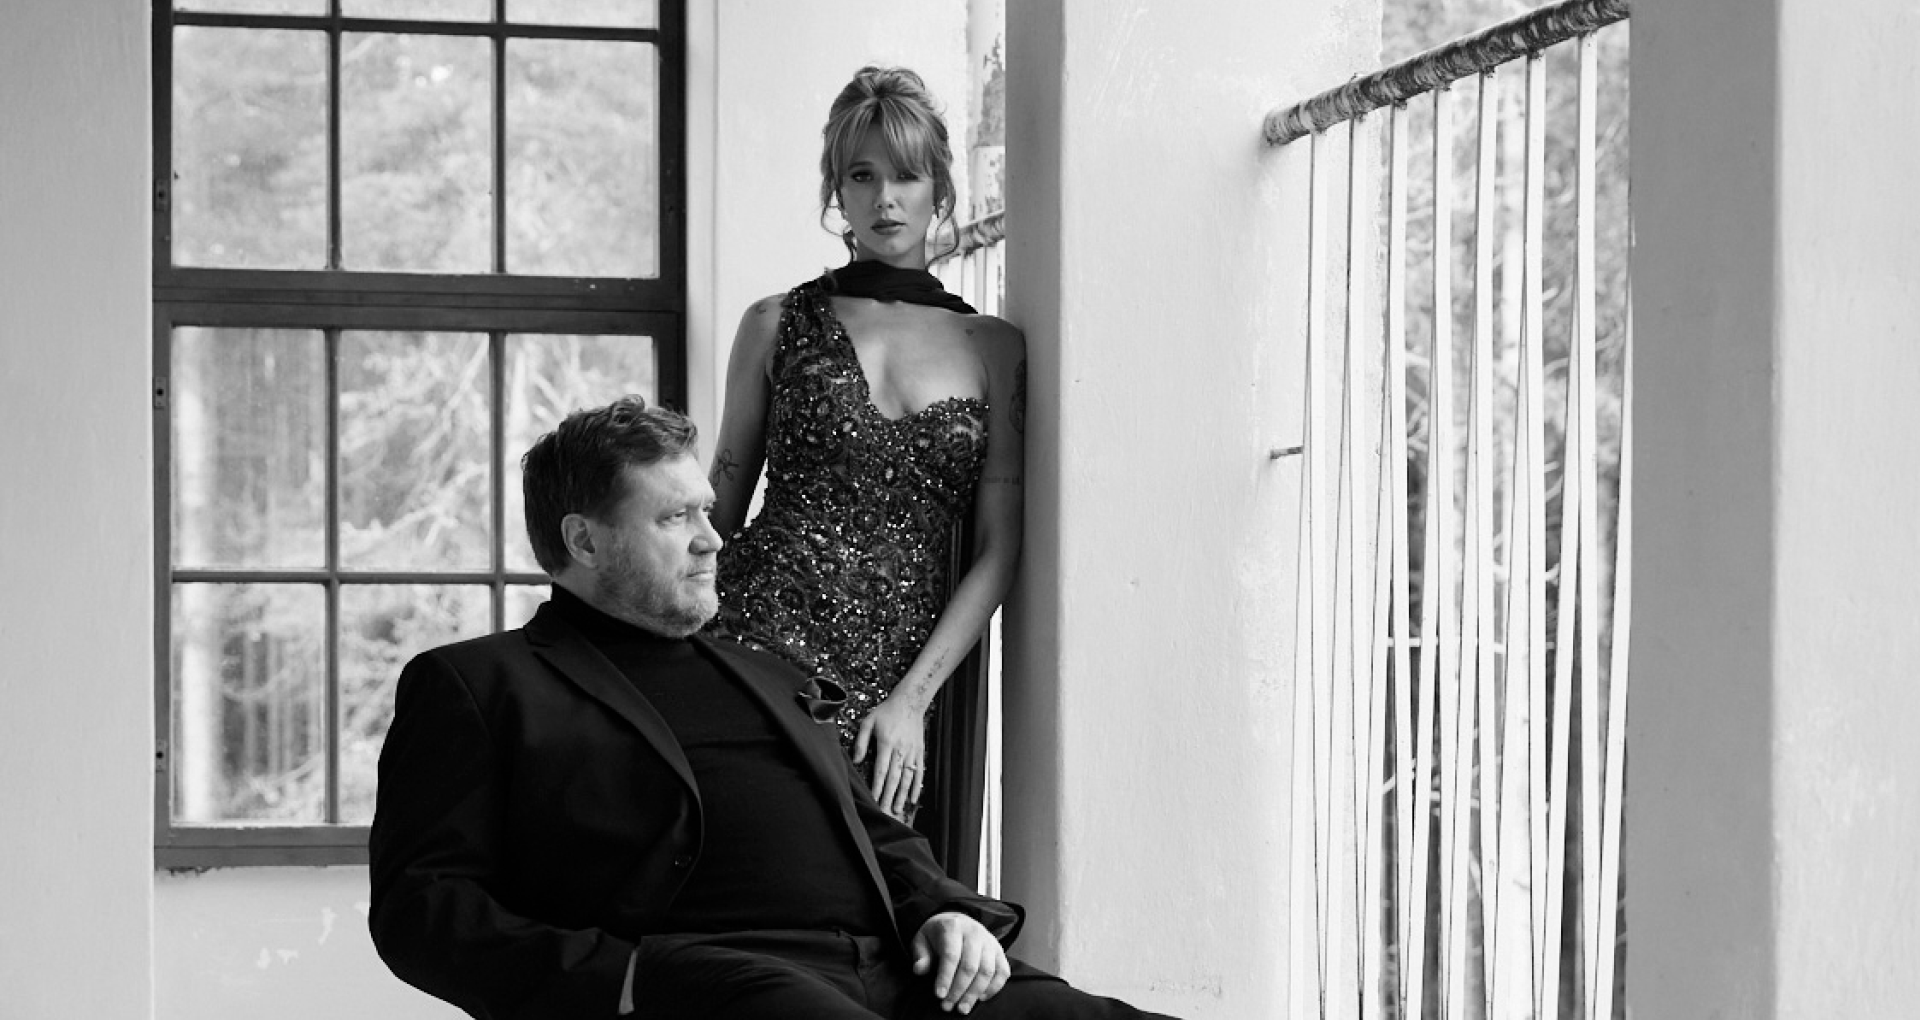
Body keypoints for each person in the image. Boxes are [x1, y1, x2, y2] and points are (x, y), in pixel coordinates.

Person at [368, 397, 1175, 1020]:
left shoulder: (770, 674)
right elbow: (421, 912)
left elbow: (878, 837)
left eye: (705, 510)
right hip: (712, 983)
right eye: (675, 517)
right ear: (583, 541)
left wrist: (948, 913)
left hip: (905, 972)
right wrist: (632, 978)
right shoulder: (479, 683)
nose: (712, 539)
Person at [706, 66, 1026, 821]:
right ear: (836, 192)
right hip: (752, 642)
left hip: (892, 685)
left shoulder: (993, 347)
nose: (885, 198)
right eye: (862, 175)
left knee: (873, 874)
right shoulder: (773, 322)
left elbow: (999, 549)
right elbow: (716, 511)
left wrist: (913, 700)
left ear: (940, 190)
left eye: (906, 175)